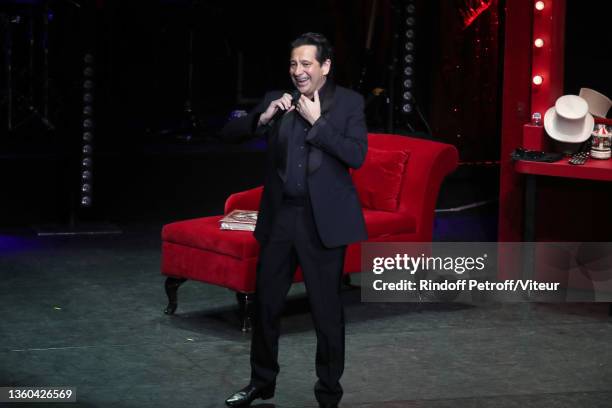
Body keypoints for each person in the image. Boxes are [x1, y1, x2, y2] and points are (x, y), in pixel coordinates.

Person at [222, 32, 368, 408]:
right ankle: (261, 382)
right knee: (267, 305)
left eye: (306, 64)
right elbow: (229, 132)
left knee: (326, 313)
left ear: (325, 66)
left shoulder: (349, 103)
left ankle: (328, 394)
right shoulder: (277, 101)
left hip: (321, 224)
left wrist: (318, 123)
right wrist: (264, 116)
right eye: (293, 64)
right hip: (281, 218)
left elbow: (356, 155)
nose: (298, 71)